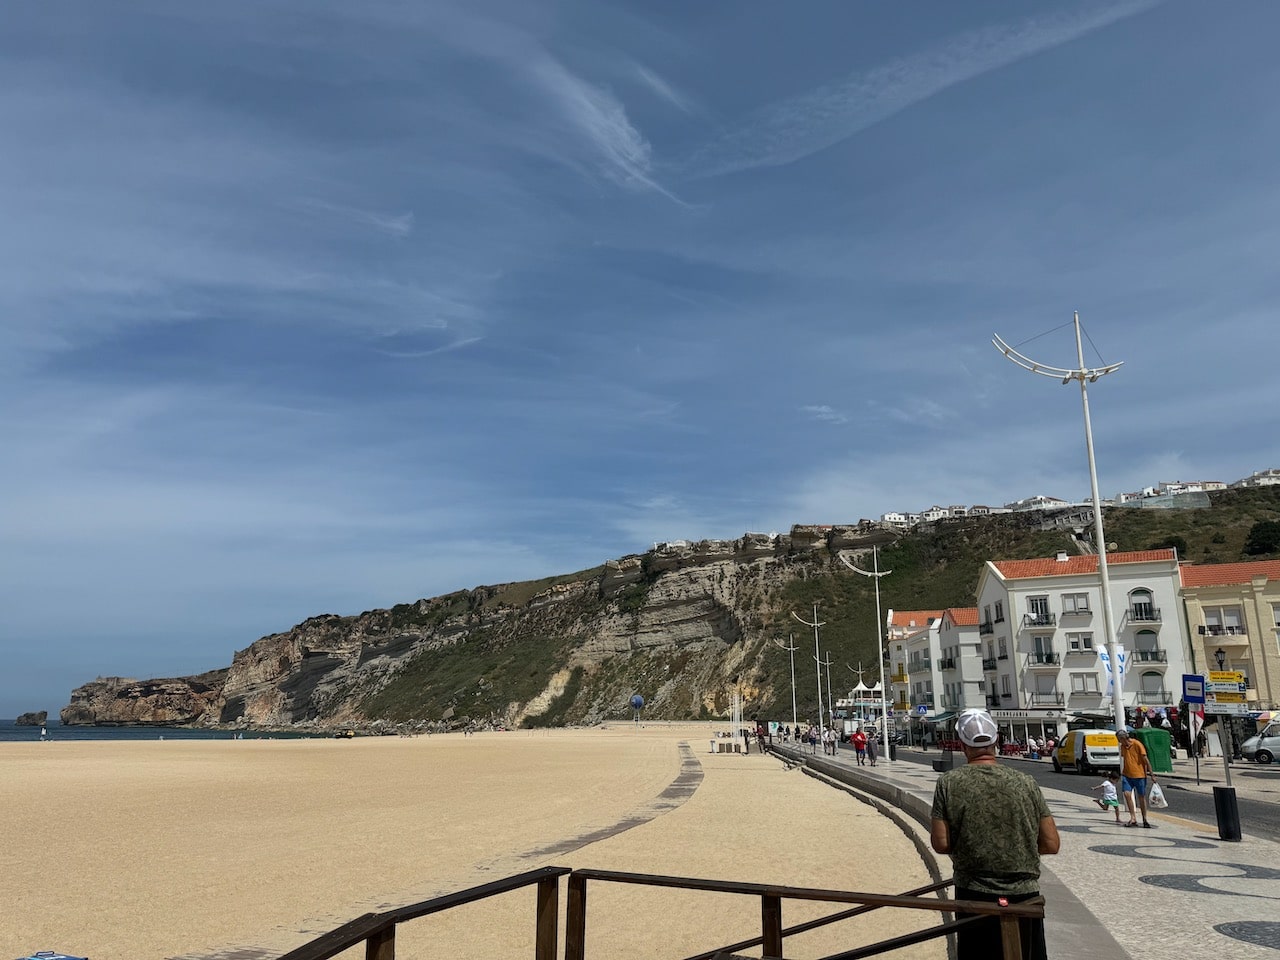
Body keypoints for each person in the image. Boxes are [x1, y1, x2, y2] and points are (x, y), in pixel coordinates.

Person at [931, 709, 1059, 960]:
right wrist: (1016, 848)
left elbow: (941, 843)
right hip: (1025, 896)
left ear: (961, 745)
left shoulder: (949, 783)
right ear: (996, 740)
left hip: (974, 893)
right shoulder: (1026, 782)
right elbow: (1051, 843)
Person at [1116, 729, 1156, 828]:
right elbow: (1125, 759)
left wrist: (1152, 774)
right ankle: (1133, 818)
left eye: (1119, 739)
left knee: (1141, 797)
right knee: (1127, 794)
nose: (1118, 741)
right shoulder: (1123, 747)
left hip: (1139, 775)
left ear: (1122, 738)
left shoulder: (1137, 744)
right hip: (1127, 774)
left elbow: (1146, 760)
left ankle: (1144, 818)